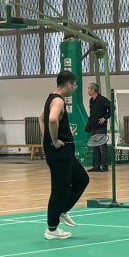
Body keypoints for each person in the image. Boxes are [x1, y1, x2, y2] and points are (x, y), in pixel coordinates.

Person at [42, 69, 90, 239]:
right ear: (69, 84)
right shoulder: (58, 101)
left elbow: (41, 118)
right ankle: (52, 229)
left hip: (64, 152)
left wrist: (45, 138)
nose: (75, 88)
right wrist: (54, 140)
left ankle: (62, 210)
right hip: (59, 152)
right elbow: (52, 119)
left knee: (82, 179)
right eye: (75, 85)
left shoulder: (51, 99)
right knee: (60, 188)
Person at [86, 81, 114, 174]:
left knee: (102, 146)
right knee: (95, 146)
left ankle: (104, 166)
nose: (88, 90)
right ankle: (96, 166)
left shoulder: (102, 99)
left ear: (94, 90)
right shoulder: (91, 100)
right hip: (93, 127)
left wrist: (105, 118)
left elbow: (112, 107)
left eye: (89, 88)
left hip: (101, 127)